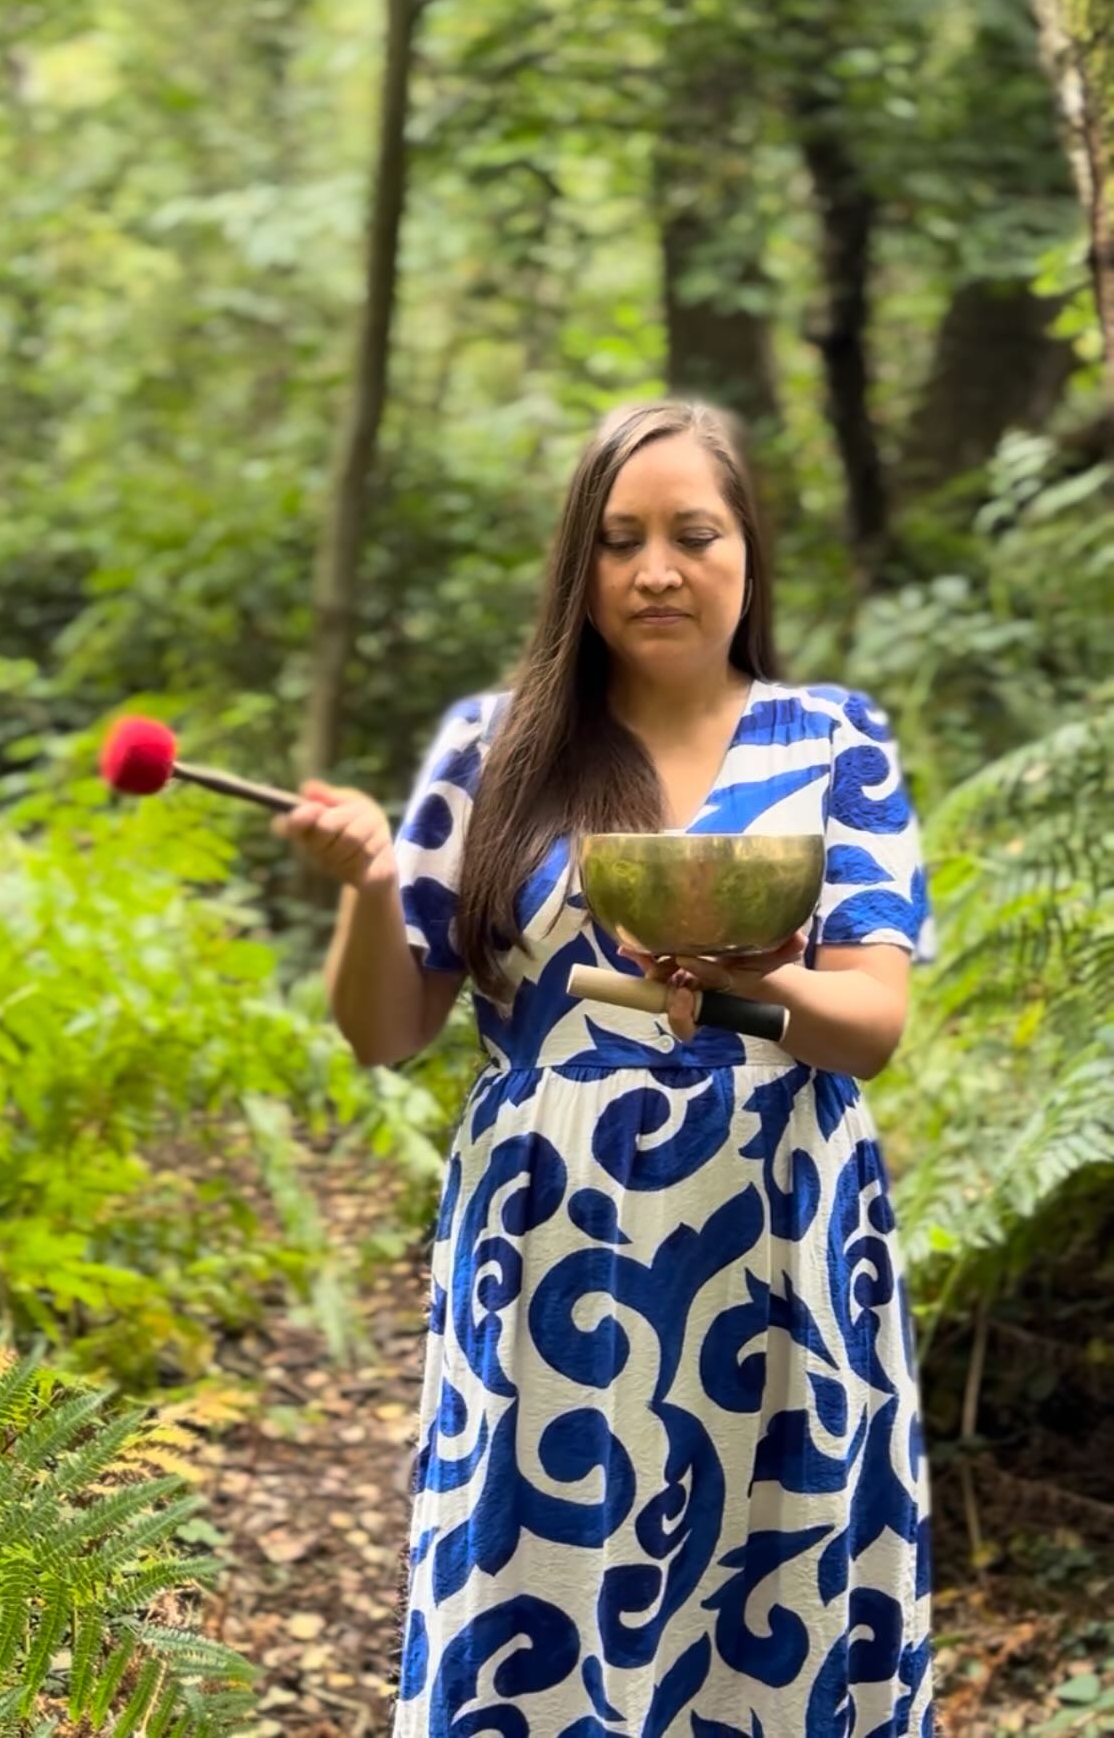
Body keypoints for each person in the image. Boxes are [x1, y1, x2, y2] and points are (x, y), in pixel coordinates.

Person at [272, 396, 935, 1737]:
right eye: (620, 538)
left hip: (781, 1234)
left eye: (695, 533)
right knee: (544, 1579)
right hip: (551, 1241)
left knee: (779, 1579)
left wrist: (751, 976)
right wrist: (366, 887)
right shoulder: (494, 745)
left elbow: (869, 1027)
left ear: (749, 552)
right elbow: (389, 1032)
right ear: (579, 563)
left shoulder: (835, 739)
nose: (657, 569)